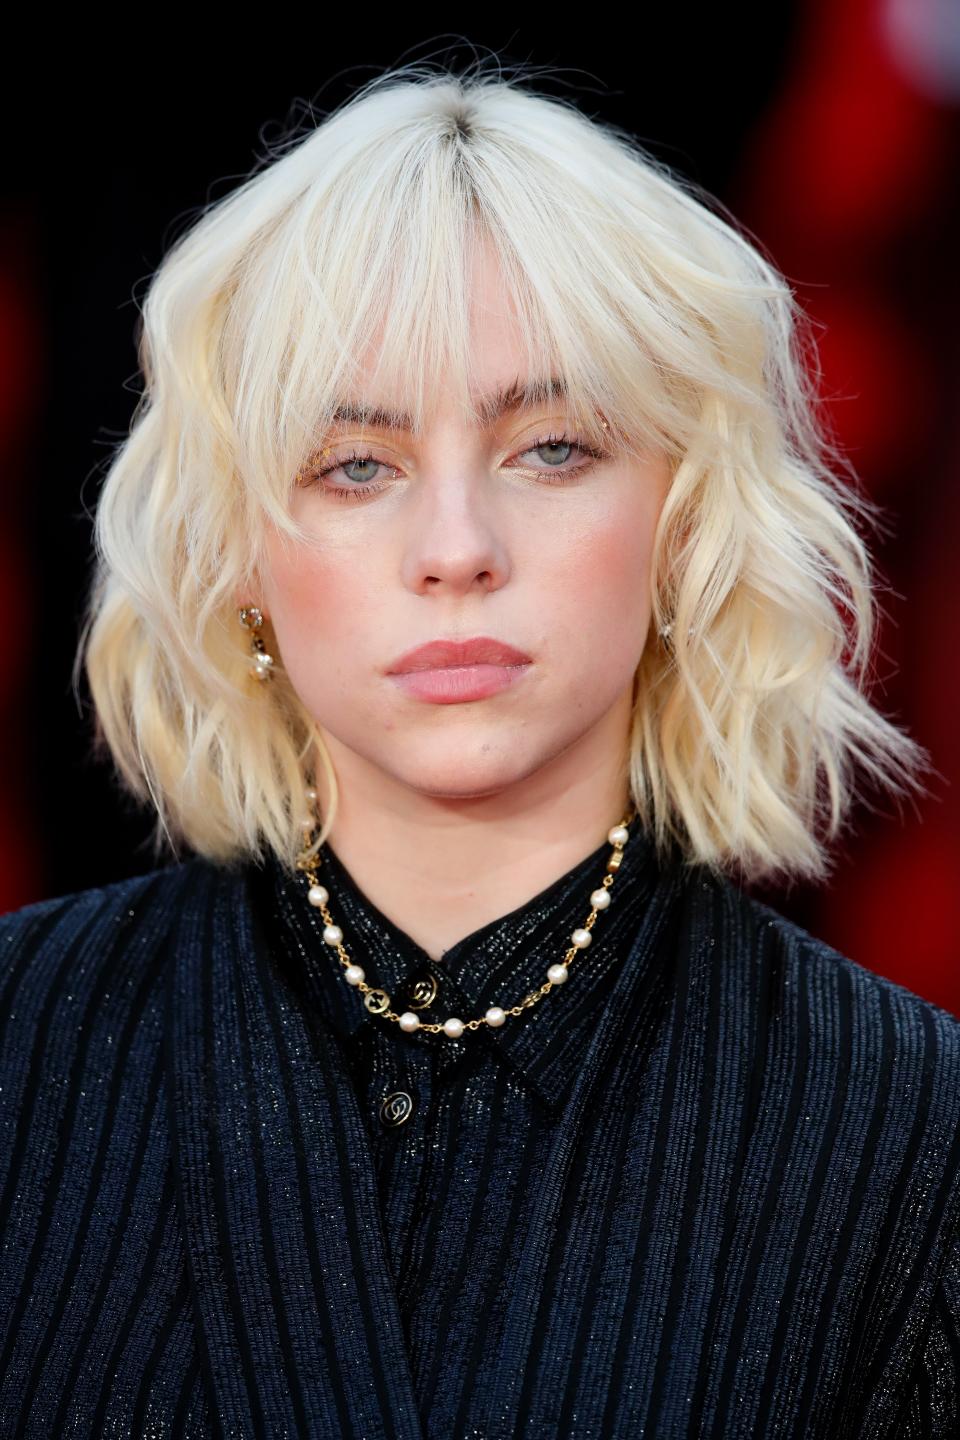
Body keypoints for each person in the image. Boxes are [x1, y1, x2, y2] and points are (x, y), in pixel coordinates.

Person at [1, 59, 957, 1440]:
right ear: (237, 557)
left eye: (552, 448)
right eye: (358, 465)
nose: (456, 550)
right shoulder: (28, 1050)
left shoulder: (907, 1137)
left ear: (683, 526)